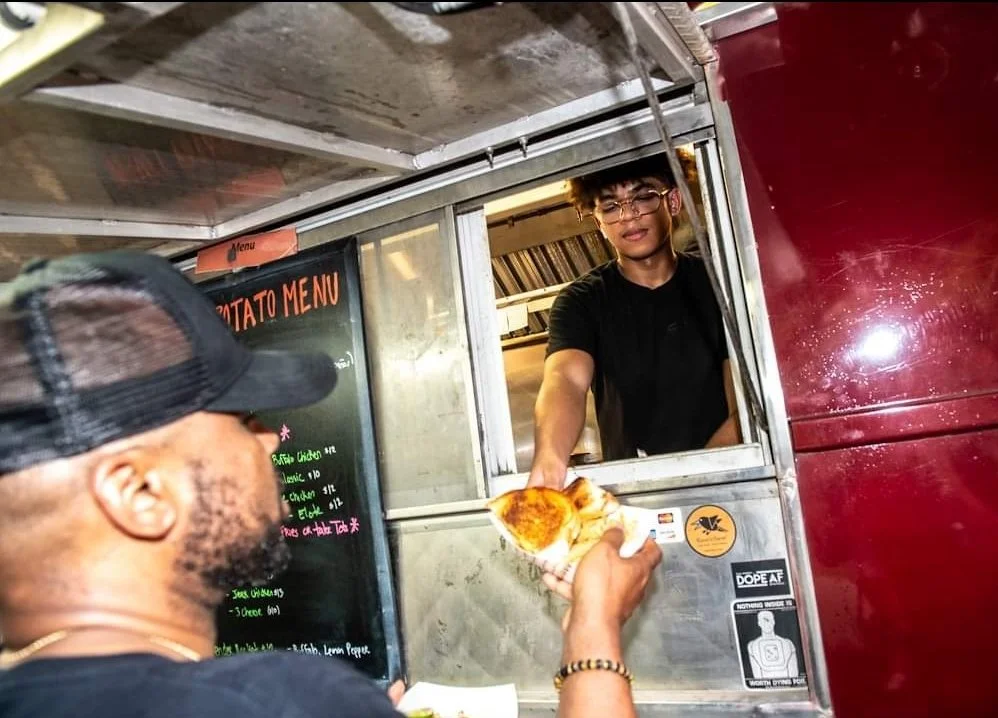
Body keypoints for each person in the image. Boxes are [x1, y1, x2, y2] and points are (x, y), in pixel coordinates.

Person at [0, 252, 661, 718]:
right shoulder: (281, 701)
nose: (268, 439)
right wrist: (593, 628)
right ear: (140, 494)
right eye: (243, 418)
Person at [529, 152, 741, 489]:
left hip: (728, 479)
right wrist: (550, 458)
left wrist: (697, 478)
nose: (628, 216)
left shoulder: (720, 284)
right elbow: (565, 379)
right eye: (611, 206)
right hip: (633, 495)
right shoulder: (582, 301)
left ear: (672, 201)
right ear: (598, 221)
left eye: (643, 197)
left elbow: (744, 401)